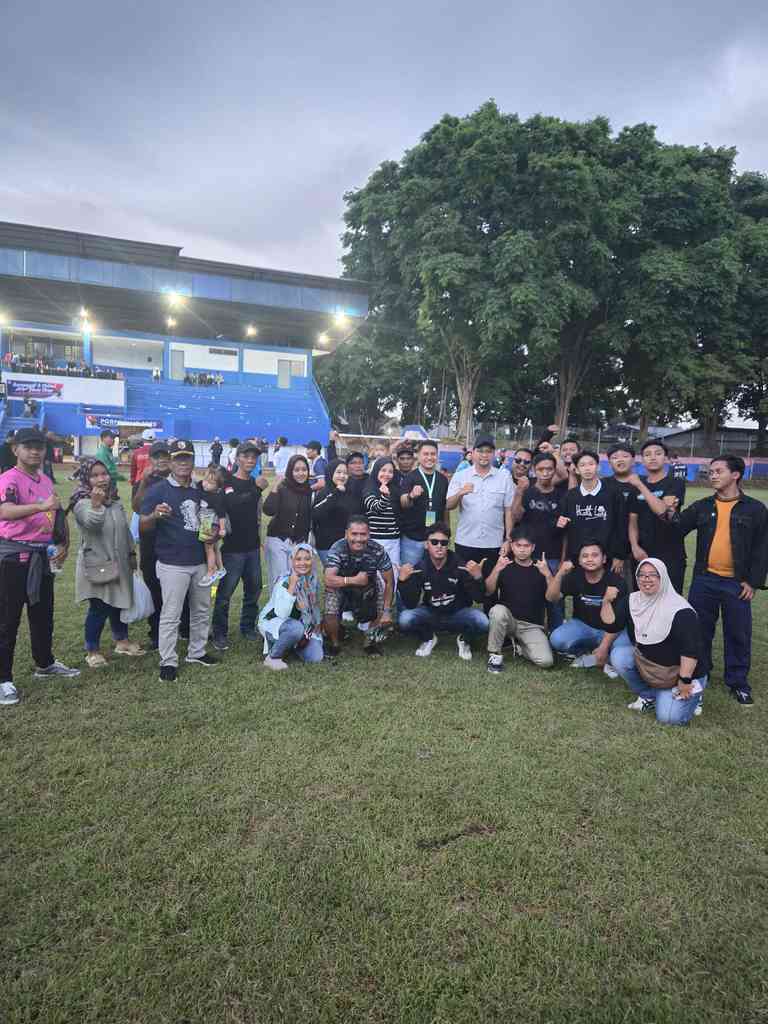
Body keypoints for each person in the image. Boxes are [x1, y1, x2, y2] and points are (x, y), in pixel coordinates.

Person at [673, 454, 768, 706]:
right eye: (711, 471)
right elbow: (677, 527)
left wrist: (753, 582)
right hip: (704, 580)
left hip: (737, 584)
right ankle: (700, 674)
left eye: (718, 471)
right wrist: (670, 509)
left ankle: (738, 682)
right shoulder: (703, 506)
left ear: (735, 475)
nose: (712, 475)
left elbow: (762, 549)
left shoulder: (755, 509)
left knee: (738, 633)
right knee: (699, 631)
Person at [0, 427, 79, 706]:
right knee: (7, 620)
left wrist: (62, 543)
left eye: (39, 446)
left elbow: (54, 514)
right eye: (28, 446)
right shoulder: (9, 479)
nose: (35, 451)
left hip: (42, 556)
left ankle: (45, 663)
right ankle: (3, 680)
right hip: (13, 559)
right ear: (16, 450)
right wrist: (40, 506)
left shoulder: (44, 479)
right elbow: (4, 510)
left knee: (43, 615)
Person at [139, 438, 219, 682]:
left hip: (200, 561)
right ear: (171, 462)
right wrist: (154, 515)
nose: (183, 463)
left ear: (193, 461)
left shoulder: (199, 489)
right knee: (171, 614)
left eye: (187, 458)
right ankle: (168, 661)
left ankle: (197, 652)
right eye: (178, 458)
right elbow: (142, 525)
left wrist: (213, 531)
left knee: (201, 610)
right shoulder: (158, 490)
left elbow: (209, 519)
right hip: (172, 562)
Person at [600, 559, 707, 724]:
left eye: (652, 575)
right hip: (651, 666)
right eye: (642, 575)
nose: (646, 579)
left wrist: (685, 680)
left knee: (668, 717)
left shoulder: (680, 610)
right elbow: (612, 625)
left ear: (663, 577)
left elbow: (691, 650)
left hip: (683, 671)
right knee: (620, 656)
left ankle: (694, 694)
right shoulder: (632, 601)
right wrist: (606, 602)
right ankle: (649, 695)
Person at [69, 458, 144, 668]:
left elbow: (125, 530)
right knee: (99, 607)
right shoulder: (82, 502)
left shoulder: (115, 501)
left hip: (120, 562)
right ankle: (92, 650)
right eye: (94, 475)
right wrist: (96, 504)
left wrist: (132, 553)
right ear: (86, 479)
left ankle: (122, 641)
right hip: (98, 564)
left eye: (104, 474)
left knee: (120, 602)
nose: (101, 479)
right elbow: (92, 523)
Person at [398, 521, 488, 660]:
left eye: (443, 543)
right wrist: (403, 582)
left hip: (457, 614)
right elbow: (410, 604)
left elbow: (479, 598)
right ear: (426, 544)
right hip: (431, 613)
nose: (439, 546)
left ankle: (464, 640)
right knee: (405, 619)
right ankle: (428, 637)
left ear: (448, 545)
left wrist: (478, 577)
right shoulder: (420, 567)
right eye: (434, 542)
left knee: (483, 622)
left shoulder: (460, 565)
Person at [211, 440, 269, 649]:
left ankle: (247, 627)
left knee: (254, 591)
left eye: (254, 457)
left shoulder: (254, 482)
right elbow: (235, 504)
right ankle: (219, 632)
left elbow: (256, 514)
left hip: (252, 547)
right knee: (225, 594)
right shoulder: (228, 482)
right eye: (246, 456)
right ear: (237, 459)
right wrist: (257, 489)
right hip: (232, 549)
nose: (250, 460)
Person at [547, 539, 632, 676]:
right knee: (556, 639)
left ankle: (601, 654)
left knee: (621, 654)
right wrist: (560, 574)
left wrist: (604, 647)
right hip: (584, 626)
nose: (590, 559)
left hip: (613, 630)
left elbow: (619, 622)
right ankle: (590, 654)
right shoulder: (574, 577)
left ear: (604, 559)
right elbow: (552, 598)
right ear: (579, 561)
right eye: (585, 556)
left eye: (595, 555)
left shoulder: (617, 582)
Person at [445, 435, 515, 602]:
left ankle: (489, 614)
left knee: (491, 588)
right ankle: (464, 614)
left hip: (493, 543)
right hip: (466, 542)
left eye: (488, 451)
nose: (484, 455)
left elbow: (509, 511)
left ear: (494, 454)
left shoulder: (504, 477)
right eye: (480, 451)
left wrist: (508, 540)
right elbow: (449, 505)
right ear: (473, 452)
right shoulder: (461, 476)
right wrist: (461, 493)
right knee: (463, 586)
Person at [511, 451, 568, 627]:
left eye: (549, 469)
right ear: (534, 470)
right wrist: (519, 492)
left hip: (553, 555)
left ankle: (556, 633)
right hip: (529, 555)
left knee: (555, 600)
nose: (545, 473)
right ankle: (528, 630)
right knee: (529, 596)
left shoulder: (562, 495)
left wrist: (563, 559)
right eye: (541, 469)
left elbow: (567, 532)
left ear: (554, 471)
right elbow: (516, 516)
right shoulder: (527, 491)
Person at [323, 516, 395, 657]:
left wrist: (386, 610)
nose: (358, 539)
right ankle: (334, 643)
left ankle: (370, 643)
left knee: (381, 608)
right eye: (354, 534)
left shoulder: (378, 550)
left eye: (363, 534)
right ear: (346, 534)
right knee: (330, 611)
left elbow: (389, 581)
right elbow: (328, 579)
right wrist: (354, 580)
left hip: (368, 585)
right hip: (340, 585)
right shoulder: (337, 548)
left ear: (369, 534)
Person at [485, 527, 554, 673]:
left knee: (546, 661)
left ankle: (520, 648)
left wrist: (548, 575)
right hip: (509, 620)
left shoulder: (541, 567)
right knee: (498, 611)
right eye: (518, 545)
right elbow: (488, 591)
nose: (522, 550)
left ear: (533, 547)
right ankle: (494, 655)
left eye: (526, 546)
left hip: (531, 625)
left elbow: (553, 597)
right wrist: (497, 569)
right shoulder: (505, 564)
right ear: (512, 546)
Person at [629, 440, 687, 592]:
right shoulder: (635, 486)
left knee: (669, 597)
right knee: (642, 597)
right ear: (642, 460)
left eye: (658, 453)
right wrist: (635, 547)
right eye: (647, 455)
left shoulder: (675, 483)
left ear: (666, 459)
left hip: (670, 552)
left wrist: (641, 485)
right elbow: (633, 520)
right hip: (643, 552)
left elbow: (662, 511)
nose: (653, 457)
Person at [131, 440, 172, 649]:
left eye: (165, 456)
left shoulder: (178, 480)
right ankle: (156, 632)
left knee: (176, 588)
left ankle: (182, 629)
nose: (161, 460)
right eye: (157, 456)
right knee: (154, 587)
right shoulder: (144, 482)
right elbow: (137, 508)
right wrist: (144, 482)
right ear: (150, 459)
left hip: (173, 543)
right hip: (150, 543)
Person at [556, 450, 628, 571]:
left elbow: (621, 525)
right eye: (582, 465)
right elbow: (562, 527)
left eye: (591, 464)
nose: (587, 468)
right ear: (576, 470)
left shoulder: (613, 494)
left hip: (608, 557)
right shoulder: (570, 496)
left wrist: (619, 555)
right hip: (578, 558)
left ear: (598, 467)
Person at [258, 543, 323, 670]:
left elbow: (314, 607)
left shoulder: (312, 580)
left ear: (312, 560)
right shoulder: (284, 581)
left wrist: (317, 625)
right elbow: (282, 613)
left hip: (301, 624)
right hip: (276, 622)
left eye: (307, 559)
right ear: (292, 561)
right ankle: (273, 657)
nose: (303, 563)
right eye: (298, 559)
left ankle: (291, 644)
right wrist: (292, 585)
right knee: (295, 628)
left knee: (316, 656)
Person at [262, 454, 312, 588]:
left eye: (304, 470)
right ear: (290, 471)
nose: (301, 473)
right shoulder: (282, 488)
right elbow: (268, 510)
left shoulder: (309, 491)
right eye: (297, 470)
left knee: (295, 582)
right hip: (278, 540)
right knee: (280, 581)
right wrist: (275, 487)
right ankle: (277, 603)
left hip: (298, 543)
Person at [398, 440, 449, 568]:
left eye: (433, 454)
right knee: (410, 574)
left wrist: (447, 531)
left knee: (434, 575)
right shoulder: (410, 477)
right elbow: (403, 502)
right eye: (426, 454)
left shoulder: (443, 479)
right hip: (413, 539)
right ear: (418, 456)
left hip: (436, 540)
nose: (429, 457)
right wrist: (411, 496)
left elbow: (445, 508)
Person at [311, 459, 358, 565]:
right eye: (338, 472)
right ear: (331, 473)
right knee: (333, 573)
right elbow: (316, 514)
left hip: (347, 544)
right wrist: (336, 493)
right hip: (327, 545)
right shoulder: (324, 493)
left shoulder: (349, 492)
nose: (342, 476)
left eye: (345, 473)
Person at [362, 457, 402, 579]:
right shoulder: (369, 489)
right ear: (376, 471)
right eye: (383, 470)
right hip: (376, 540)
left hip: (393, 541)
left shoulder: (395, 490)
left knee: (393, 574)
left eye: (390, 471)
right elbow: (376, 508)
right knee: (377, 577)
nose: (387, 474)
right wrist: (385, 496)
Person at [197, 465, 228, 586]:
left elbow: (221, 515)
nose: (205, 484)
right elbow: (198, 482)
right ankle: (221, 568)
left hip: (210, 525)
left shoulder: (216, 498)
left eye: (210, 483)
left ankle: (211, 572)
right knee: (215, 547)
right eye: (205, 480)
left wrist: (222, 528)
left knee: (209, 549)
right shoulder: (203, 489)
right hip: (208, 523)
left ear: (218, 486)